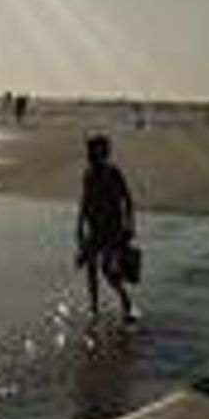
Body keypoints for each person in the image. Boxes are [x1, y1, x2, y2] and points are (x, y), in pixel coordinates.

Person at [75, 134, 137, 321]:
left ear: (103, 152)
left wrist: (130, 225)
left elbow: (127, 200)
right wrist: (78, 225)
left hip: (112, 229)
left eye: (94, 150)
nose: (90, 154)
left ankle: (125, 300)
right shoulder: (88, 174)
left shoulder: (113, 173)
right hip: (94, 228)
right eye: (89, 150)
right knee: (90, 267)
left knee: (107, 270)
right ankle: (94, 308)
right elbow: (85, 201)